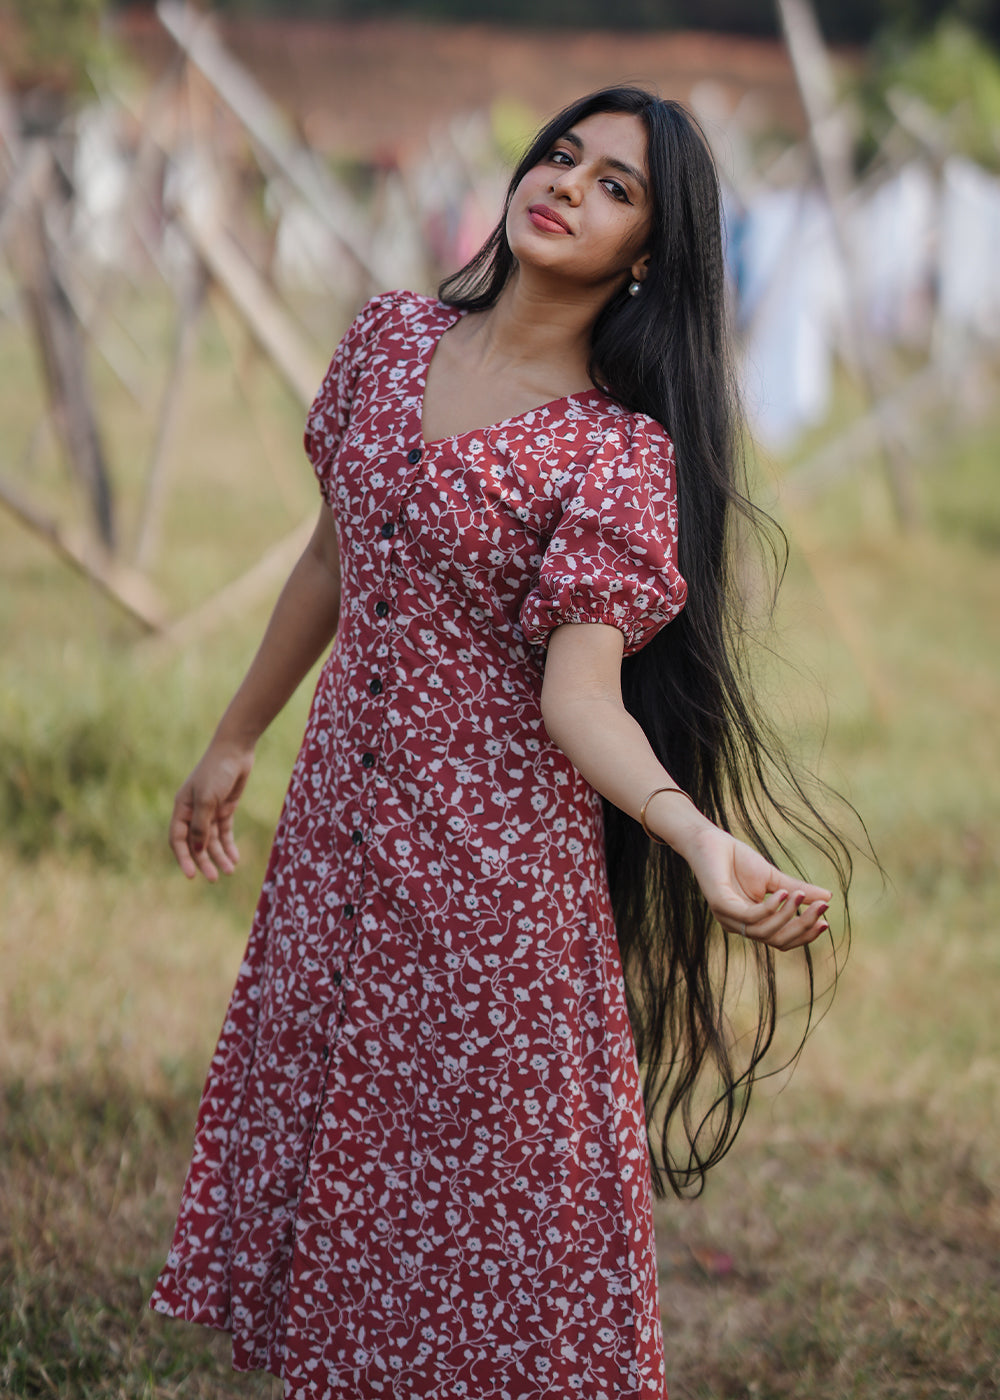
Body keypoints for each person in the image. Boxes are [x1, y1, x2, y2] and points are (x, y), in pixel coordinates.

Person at [150, 86, 848, 1399]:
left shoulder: (612, 453)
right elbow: (328, 557)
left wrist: (697, 838)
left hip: (490, 896)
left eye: (616, 188)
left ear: (647, 254)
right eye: (564, 155)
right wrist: (233, 739)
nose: (569, 185)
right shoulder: (389, 340)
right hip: (334, 854)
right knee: (341, 1175)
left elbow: (579, 701)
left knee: (479, 1218)